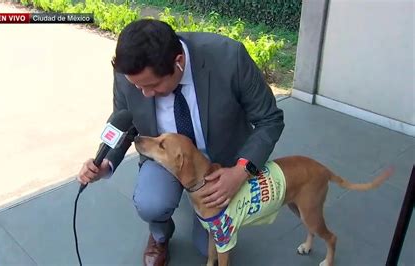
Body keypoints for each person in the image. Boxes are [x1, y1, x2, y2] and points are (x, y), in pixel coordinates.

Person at [77, 19, 284, 266]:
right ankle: (160, 235)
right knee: (151, 203)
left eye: (152, 85)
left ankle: (200, 207)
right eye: (137, 86)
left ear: (178, 62)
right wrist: (106, 163)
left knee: (207, 248)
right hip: (162, 154)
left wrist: (240, 172)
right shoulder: (129, 75)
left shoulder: (229, 58)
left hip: (219, 163)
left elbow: (269, 119)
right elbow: (125, 121)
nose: (144, 93)